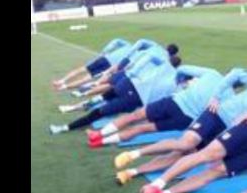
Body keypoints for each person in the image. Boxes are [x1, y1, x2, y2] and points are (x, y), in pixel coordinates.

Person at [113, 68, 247, 185]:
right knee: (186, 143)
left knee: (183, 154)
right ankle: (133, 154)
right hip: (216, 115)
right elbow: (236, 72)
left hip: (227, 132)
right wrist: (216, 96)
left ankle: (132, 172)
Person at [48, 48, 181, 135]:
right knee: (100, 111)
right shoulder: (172, 77)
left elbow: (147, 57)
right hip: (132, 97)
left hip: (127, 86)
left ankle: (69, 118)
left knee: (100, 102)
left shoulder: (160, 64)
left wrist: (133, 71)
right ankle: (67, 125)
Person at [85, 65, 222, 148]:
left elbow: (182, 69)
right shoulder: (228, 96)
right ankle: (100, 141)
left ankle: (98, 136)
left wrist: (180, 81)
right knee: (141, 127)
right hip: (186, 117)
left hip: (174, 103)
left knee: (135, 117)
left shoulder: (213, 74)